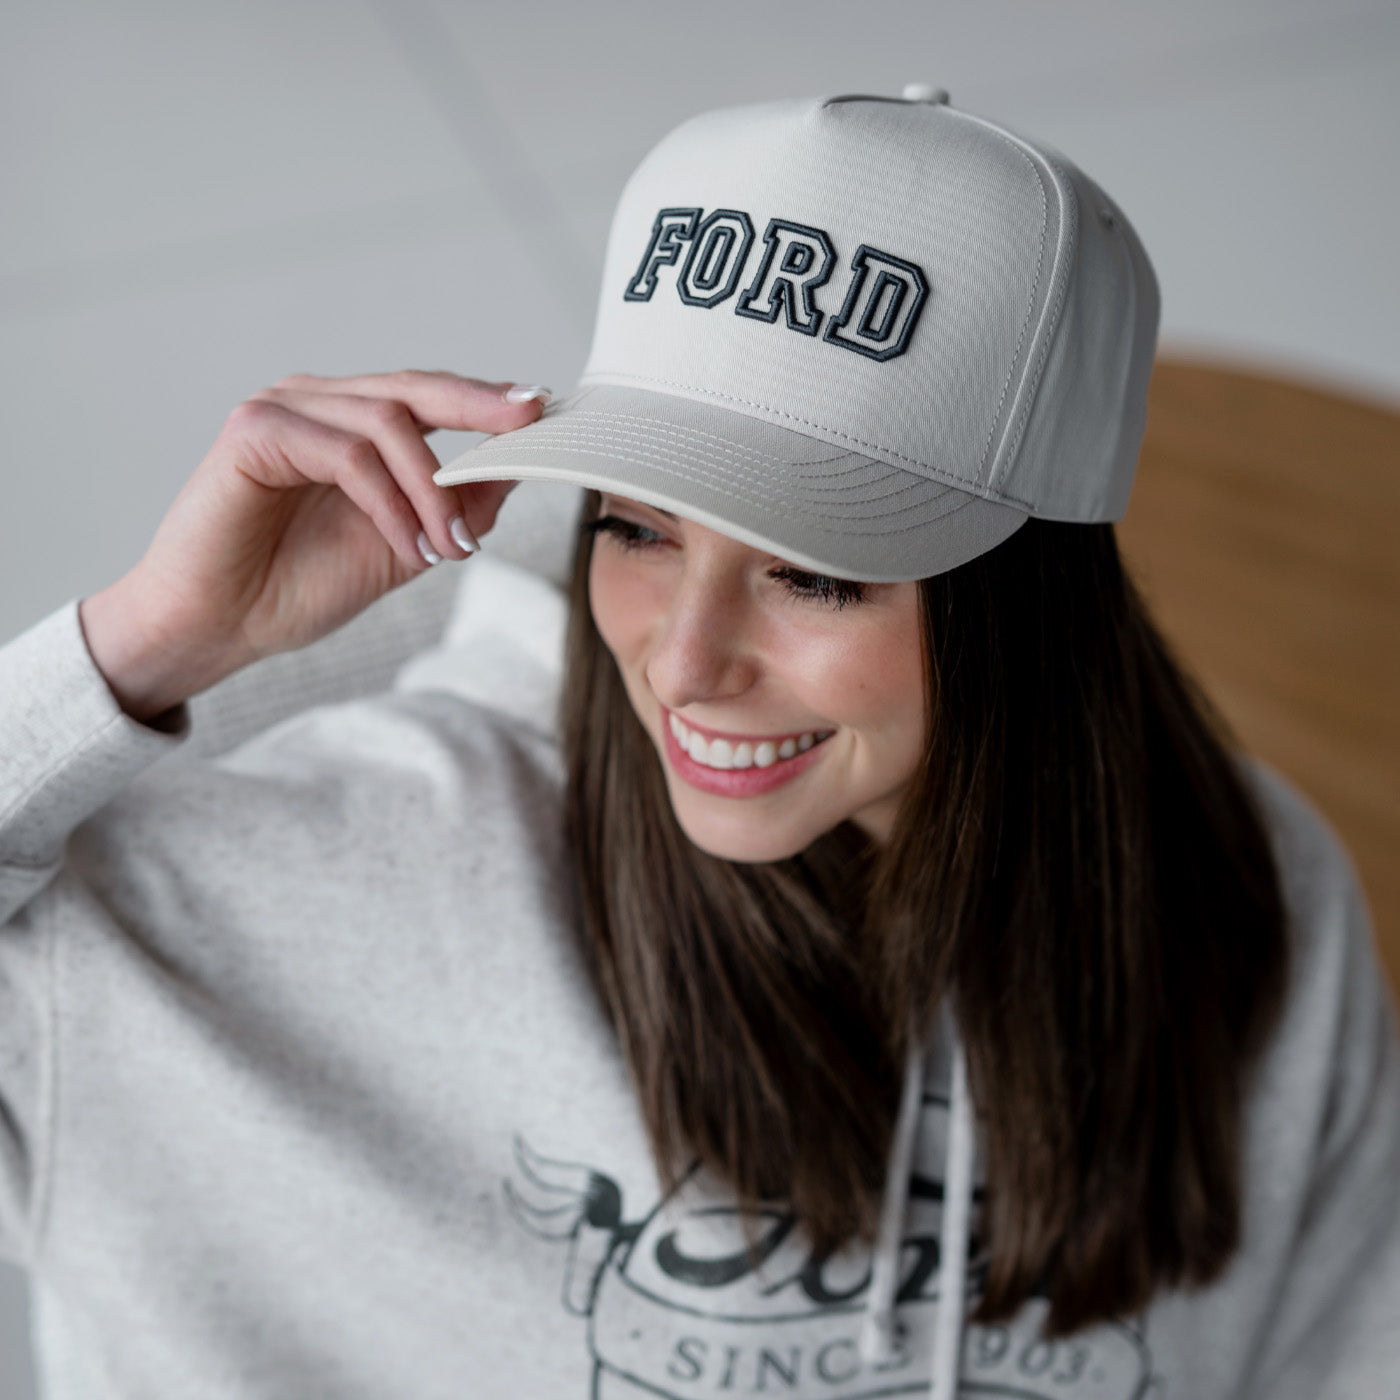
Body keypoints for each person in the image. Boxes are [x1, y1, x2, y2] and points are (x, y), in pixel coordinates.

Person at [1, 88, 1397, 1400]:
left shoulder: (1244, 889)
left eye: (814, 573)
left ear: (1024, 616)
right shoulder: (347, 871)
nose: (681, 662)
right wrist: (140, 646)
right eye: (638, 531)